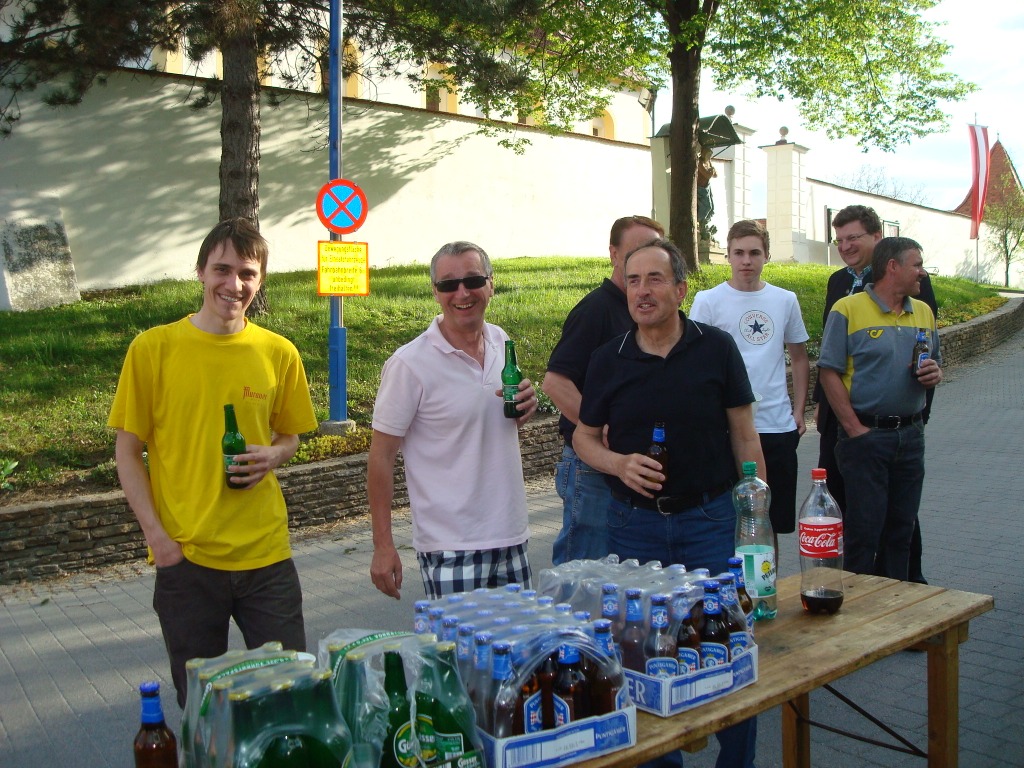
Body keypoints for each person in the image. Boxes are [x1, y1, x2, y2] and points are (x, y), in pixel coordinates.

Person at [108, 218, 318, 708]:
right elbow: (127, 451)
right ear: (200, 271)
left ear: (260, 281)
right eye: (222, 269)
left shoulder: (278, 352)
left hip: (267, 556)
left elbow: (290, 437)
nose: (234, 284)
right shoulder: (153, 349)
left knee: (291, 694)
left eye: (247, 273)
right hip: (188, 560)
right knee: (205, 708)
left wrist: (276, 453)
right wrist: (159, 542)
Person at [573, 238, 763, 768]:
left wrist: (756, 515)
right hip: (634, 527)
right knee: (643, 656)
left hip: (709, 520)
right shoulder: (607, 358)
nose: (642, 291)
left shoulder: (716, 347)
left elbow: (745, 435)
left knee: (729, 646)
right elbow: (583, 438)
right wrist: (617, 463)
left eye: (654, 279)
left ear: (680, 290)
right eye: (633, 281)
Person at [367, 241, 539, 600]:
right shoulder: (409, 364)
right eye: (448, 284)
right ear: (435, 292)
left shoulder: (500, 341)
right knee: (460, 642)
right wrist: (383, 546)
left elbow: (489, 426)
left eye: (473, 280)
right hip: (451, 548)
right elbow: (380, 458)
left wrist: (525, 406)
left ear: (491, 284)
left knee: (519, 640)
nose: (462, 293)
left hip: (511, 537)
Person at [814, 204, 936, 582]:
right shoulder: (841, 290)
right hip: (857, 429)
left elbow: (925, 355)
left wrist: (920, 408)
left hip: (905, 431)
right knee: (860, 522)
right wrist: (848, 425)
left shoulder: (918, 295)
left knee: (901, 525)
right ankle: (856, 596)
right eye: (839, 240)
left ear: (877, 240)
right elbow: (830, 365)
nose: (845, 246)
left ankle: (903, 589)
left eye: (853, 237)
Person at [542, 215, 664, 565]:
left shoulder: (643, 309)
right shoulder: (596, 309)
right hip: (591, 469)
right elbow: (555, 382)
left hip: (628, 466)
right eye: (636, 250)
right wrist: (597, 430)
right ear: (613, 254)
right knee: (584, 571)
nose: (644, 259)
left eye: (654, 249)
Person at [690, 220, 810, 548]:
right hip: (727, 430)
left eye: (754, 253)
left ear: (766, 255)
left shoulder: (785, 300)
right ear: (728, 256)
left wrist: (799, 411)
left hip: (776, 427)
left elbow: (799, 358)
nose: (746, 261)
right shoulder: (708, 301)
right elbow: (694, 363)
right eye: (739, 253)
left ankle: (767, 580)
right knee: (729, 522)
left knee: (769, 525)